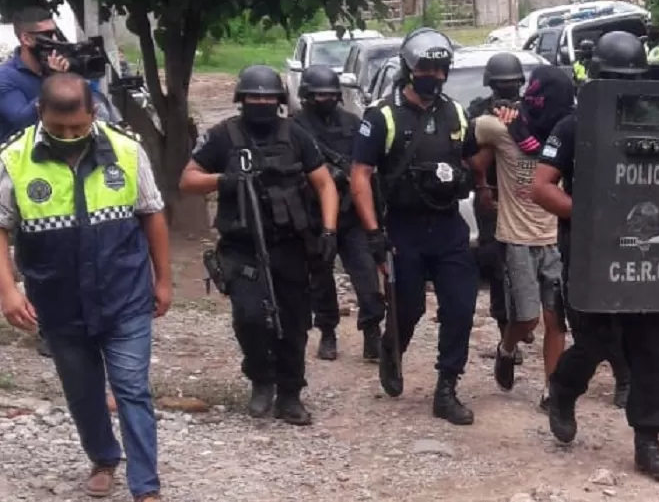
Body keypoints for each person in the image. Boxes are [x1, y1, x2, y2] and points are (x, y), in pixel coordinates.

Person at [0, 73, 171, 501]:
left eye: (78, 128)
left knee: (132, 388)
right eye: (59, 130)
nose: (70, 136)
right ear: (41, 114)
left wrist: (164, 279)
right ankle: (103, 457)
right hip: (57, 301)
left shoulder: (127, 151)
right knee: (83, 391)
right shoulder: (14, 158)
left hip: (125, 294)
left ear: (93, 114)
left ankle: (145, 486)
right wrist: (8, 291)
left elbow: (152, 214)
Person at [534, 31, 659, 482]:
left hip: (647, 255)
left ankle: (648, 442)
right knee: (597, 341)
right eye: (613, 78)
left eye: (628, 79)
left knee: (651, 347)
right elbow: (541, 186)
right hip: (592, 252)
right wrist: (592, 217)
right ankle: (562, 389)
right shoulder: (574, 126)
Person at [179, 65, 339, 426]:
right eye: (255, 97)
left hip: (290, 246)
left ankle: (290, 393)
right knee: (250, 318)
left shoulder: (295, 134)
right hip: (242, 248)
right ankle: (261, 379)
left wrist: (329, 231)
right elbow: (188, 180)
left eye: (269, 97)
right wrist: (225, 180)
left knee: (294, 321)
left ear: (280, 101)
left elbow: (324, 184)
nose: (262, 103)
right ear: (242, 100)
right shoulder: (223, 136)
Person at [350, 27, 482, 426]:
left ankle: (447, 387)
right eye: (429, 69)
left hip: (448, 227)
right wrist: (373, 233)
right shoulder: (382, 116)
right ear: (410, 69)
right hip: (403, 230)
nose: (437, 77)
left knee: (460, 306)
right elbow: (360, 176)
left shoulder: (456, 113)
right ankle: (393, 349)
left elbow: (474, 161)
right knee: (407, 309)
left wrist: (474, 180)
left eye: (443, 70)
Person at [0, 7, 118, 357]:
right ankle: (47, 325)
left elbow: (96, 111)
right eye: (45, 35)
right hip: (24, 171)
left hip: (70, 165)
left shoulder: (64, 65)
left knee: (77, 241)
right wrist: (51, 83)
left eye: (56, 32)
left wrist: (81, 79)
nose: (54, 42)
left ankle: (88, 318)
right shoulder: (7, 78)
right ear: (25, 38)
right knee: (38, 250)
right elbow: (21, 120)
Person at [470, 65, 575, 411]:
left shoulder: (566, 135)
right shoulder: (504, 128)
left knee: (555, 319)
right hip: (517, 237)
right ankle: (507, 349)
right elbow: (472, 149)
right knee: (527, 318)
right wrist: (483, 184)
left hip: (554, 236)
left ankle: (552, 391)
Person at [292, 65, 384, 362]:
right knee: (320, 279)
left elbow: (368, 166)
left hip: (353, 214)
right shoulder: (295, 128)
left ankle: (372, 332)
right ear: (306, 95)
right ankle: (328, 331)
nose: (325, 99)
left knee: (368, 278)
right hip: (315, 216)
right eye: (319, 95)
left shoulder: (352, 123)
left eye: (330, 94)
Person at [467, 52, 528, 363]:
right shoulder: (477, 112)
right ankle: (507, 331)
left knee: (530, 265)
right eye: (502, 85)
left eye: (512, 84)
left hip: (527, 199)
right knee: (496, 264)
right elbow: (468, 153)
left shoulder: (532, 110)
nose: (508, 89)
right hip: (491, 195)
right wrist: (481, 186)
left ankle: (524, 318)